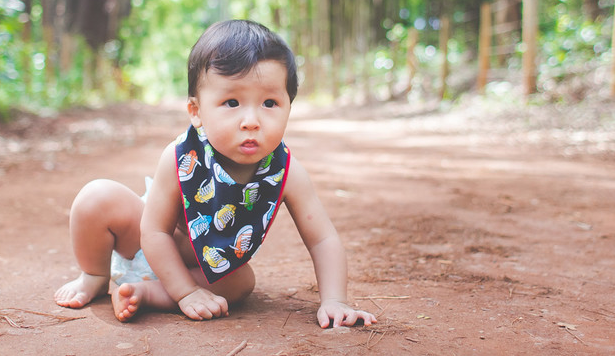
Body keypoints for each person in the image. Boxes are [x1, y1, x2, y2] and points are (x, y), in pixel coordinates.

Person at [54, 19, 377, 329]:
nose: (251, 120)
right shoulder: (181, 156)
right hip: (142, 241)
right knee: (97, 196)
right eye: (232, 102)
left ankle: (150, 293)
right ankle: (95, 277)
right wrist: (187, 292)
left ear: (289, 107)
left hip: (205, 267)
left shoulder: (286, 171)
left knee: (240, 282)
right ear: (196, 111)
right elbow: (154, 232)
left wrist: (335, 299)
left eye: (269, 103)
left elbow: (322, 239)